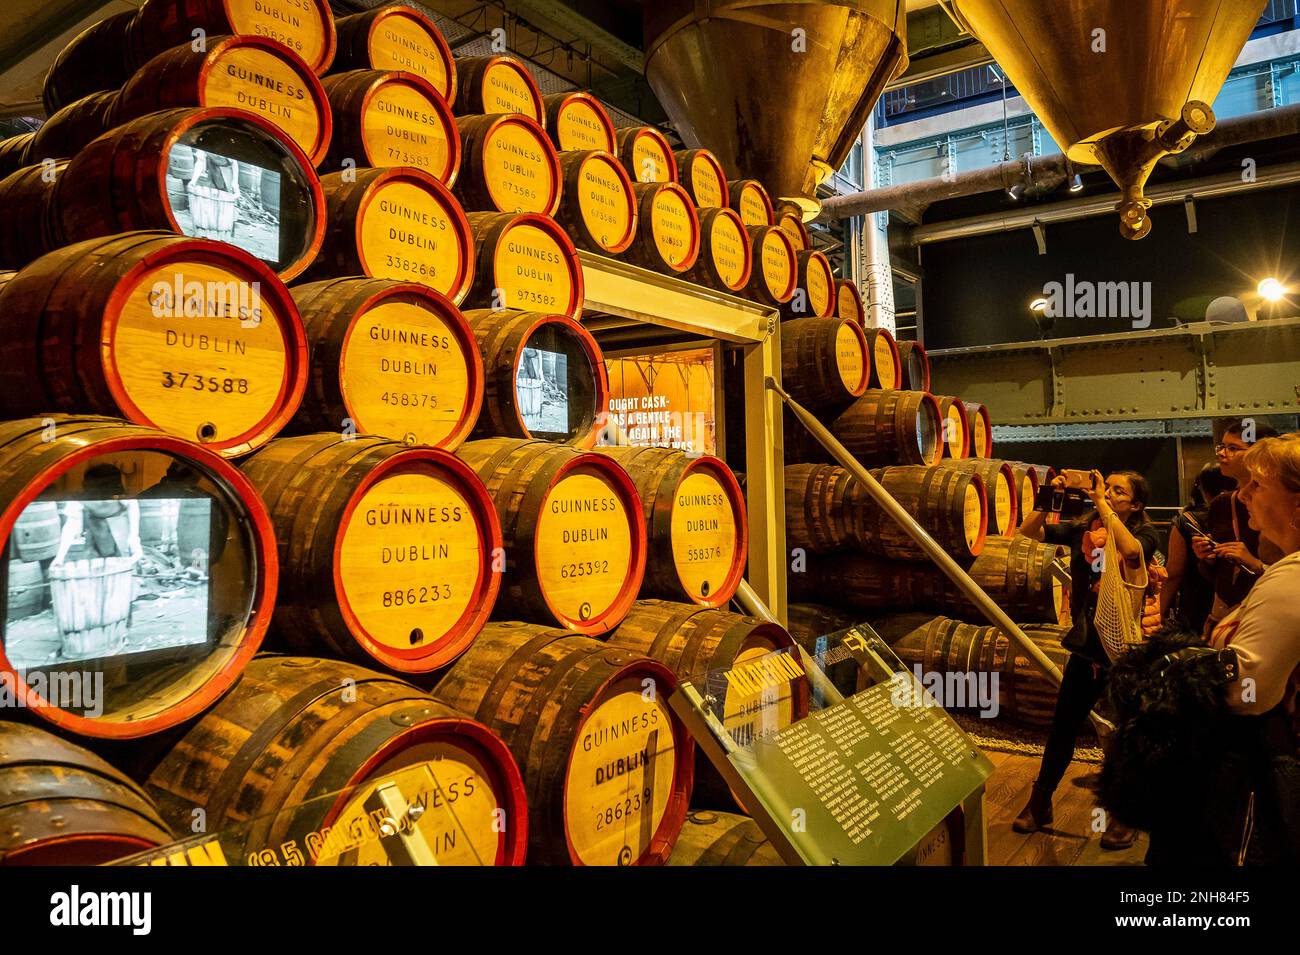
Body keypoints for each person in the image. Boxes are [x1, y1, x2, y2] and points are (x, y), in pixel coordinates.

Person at [1142, 434, 1300, 865]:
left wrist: (1170, 669)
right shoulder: (1285, 569)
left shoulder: (1291, 581)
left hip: (1256, 771)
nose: (1243, 494)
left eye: (1258, 486)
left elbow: (1245, 691)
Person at [1013, 470, 1163, 849]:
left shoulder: (1146, 534)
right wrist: (1051, 495)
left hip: (1126, 651)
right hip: (1087, 647)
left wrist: (1099, 503)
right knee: (1063, 726)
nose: (1109, 494)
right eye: (1106, 487)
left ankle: (1123, 816)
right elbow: (1029, 533)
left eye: (1118, 492)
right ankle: (1041, 801)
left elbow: (1131, 554)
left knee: (1129, 735)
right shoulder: (1084, 530)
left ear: (1137, 505)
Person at [1194, 421, 1281, 636]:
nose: (1222, 454)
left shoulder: (1281, 503)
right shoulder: (1222, 504)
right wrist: (1207, 558)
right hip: (1227, 614)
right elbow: (1216, 575)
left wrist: (1255, 564)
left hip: (1271, 611)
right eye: (1221, 447)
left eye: (1233, 448)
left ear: (1259, 453)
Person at [1161, 463, 1235, 633]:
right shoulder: (1249, 516)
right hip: (1238, 604)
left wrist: (1160, 612)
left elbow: (1174, 573)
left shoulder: (1187, 521)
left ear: (1203, 489)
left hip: (1197, 605)